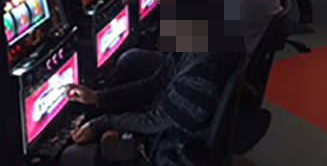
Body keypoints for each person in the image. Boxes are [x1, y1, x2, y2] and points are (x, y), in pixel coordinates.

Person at [61, 51, 240, 166]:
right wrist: (97, 97)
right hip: (166, 124)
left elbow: (153, 122)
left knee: (73, 155)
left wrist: (100, 124)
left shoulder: (203, 74)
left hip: (169, 149)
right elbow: (155, 83)